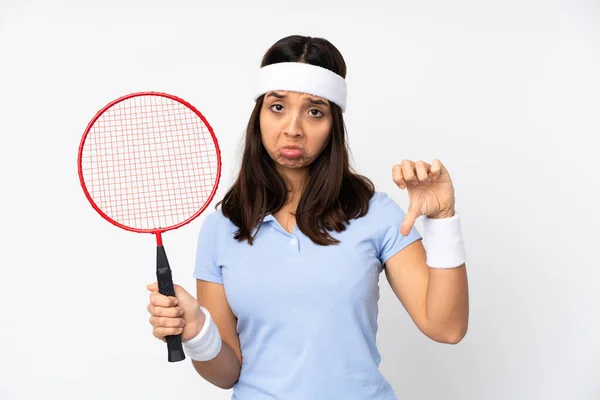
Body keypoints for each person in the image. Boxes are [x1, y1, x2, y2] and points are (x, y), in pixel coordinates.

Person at [146, 34, 469, 399]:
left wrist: (442, 220)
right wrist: (198, 331)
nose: (293, 128)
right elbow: (227, 373)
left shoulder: (373, 213)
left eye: (315, 111)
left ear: (334, 125)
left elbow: (448, 328)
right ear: (259, 115)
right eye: (278, 107)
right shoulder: (225, 226)